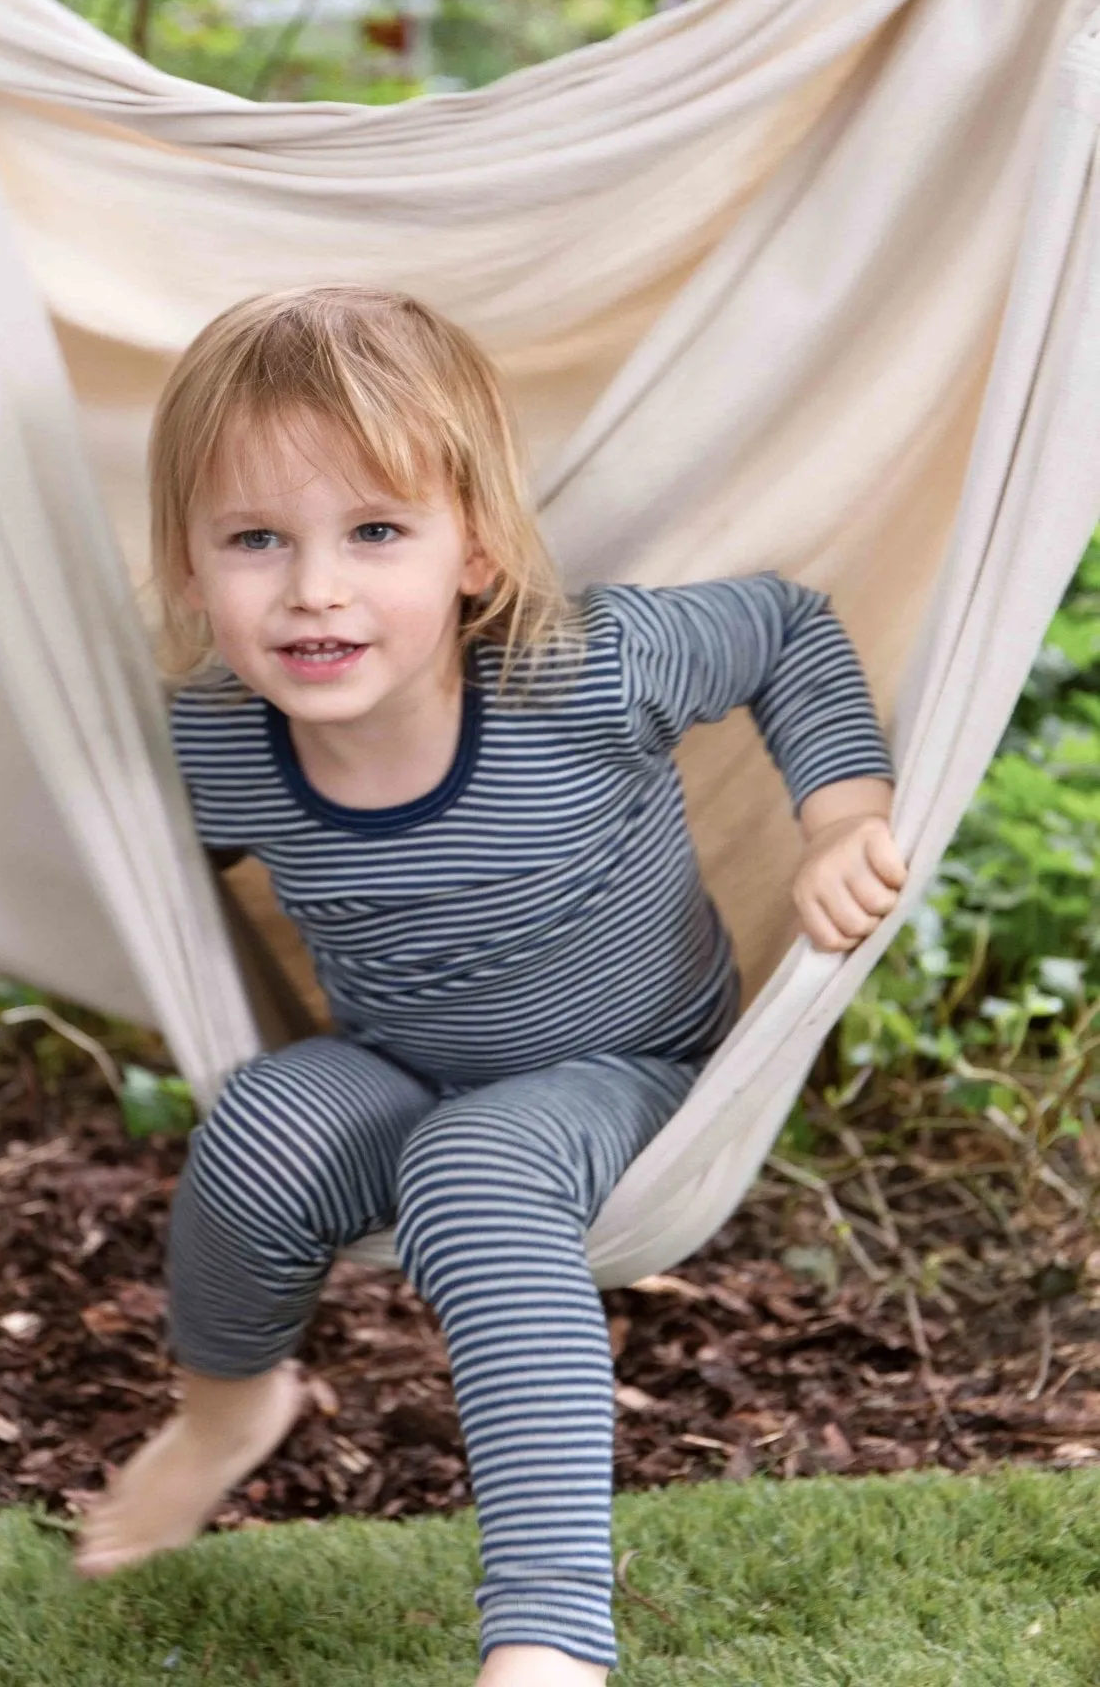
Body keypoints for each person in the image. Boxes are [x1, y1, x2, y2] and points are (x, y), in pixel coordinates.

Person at [75, 286, 907, 1682]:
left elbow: (786, 629)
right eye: (256, 540)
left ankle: (549, 1636)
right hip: (400, 1058)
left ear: (476, 552)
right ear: (188, 564)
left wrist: (839, 816)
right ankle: (227, 1411)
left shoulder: (579, 671)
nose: (314, 588)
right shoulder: (218, 742)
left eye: (376, 532)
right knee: (259, 1135)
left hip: (628, 1069)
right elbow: (148, 877)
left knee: (472, 1170)